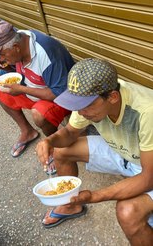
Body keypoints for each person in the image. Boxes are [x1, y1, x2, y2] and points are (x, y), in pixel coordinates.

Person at [36, 58, 153, 245]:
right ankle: (71, 206)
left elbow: (148, 178)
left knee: (128, 212)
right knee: (60, 151)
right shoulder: (91, 98)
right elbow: (69, 132)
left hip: (148, 168)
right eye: (76, 105)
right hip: (126, 153)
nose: (80, 112)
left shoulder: (147, 112)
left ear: (113, 97)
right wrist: (49, 141)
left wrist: (94, 196)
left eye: (86, 106)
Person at [0, 21, 75, 157]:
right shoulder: (20, 39)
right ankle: (28, 132)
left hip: (60, 98)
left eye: (2, 54)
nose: (0, 57)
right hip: (32, 89)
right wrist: (3, 65)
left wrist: (21, 89)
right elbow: (18, 69)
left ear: (15, 47)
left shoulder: (45, 52)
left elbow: (58, 93)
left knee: (39, 114)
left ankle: (56, 146)